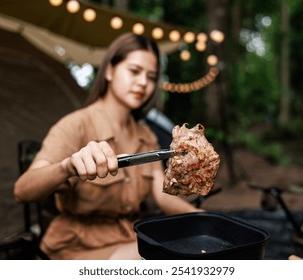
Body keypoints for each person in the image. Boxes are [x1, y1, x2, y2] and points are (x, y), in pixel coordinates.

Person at [14, 33, 201, 260]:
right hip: (77, 248)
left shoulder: (146, 135)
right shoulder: (75, 125)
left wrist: (202, 219)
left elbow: (161, 196)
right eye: (134, 71)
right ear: (110, 71)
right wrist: (66, 168)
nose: (143, 82)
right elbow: (22, 191)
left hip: (130, 239)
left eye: (151, 77)